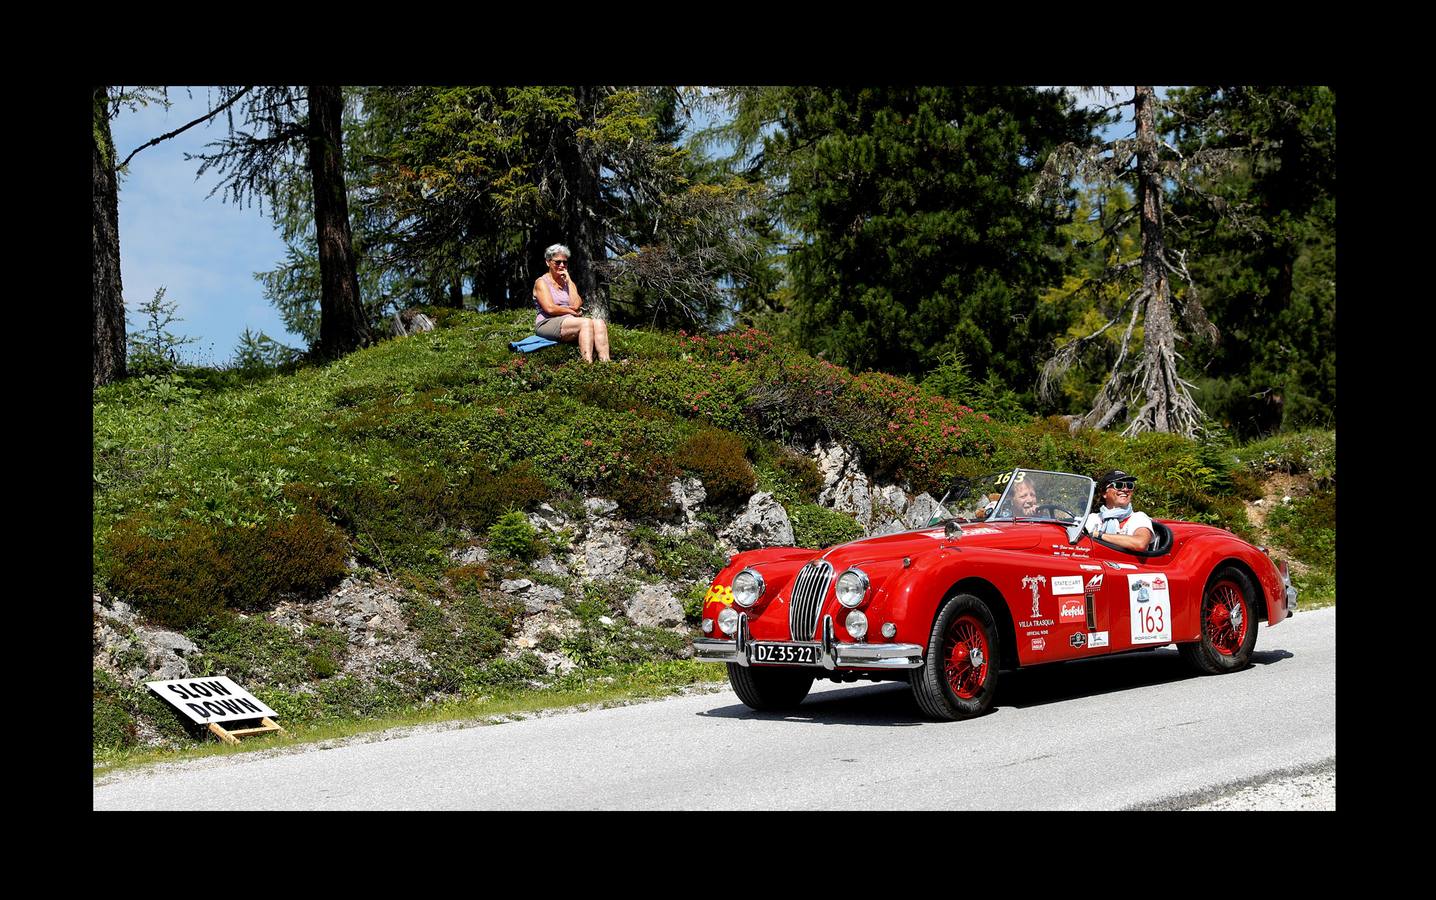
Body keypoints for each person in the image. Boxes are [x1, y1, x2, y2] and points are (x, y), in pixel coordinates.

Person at [533, 243, 611, 363]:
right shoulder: (541, 282)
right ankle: (587, 364)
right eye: (557, 262)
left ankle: (606, 363)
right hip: (547, 322)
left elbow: (576, 304)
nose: (562, 265)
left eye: (565, 262)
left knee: (599, 323)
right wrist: (570, 311)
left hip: (568, 320)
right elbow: (550, 308)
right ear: (548, 262)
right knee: (585, 322)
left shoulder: (568, 283)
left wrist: (569, 281)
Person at [1083, 470, 1154, 551]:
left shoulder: (1139, 517)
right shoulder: (1092, 518)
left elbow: (1140, 543)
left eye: (1129, 485)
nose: (1125, 489)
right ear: (1104, 493)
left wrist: (1098, 535)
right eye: (1119, 485)